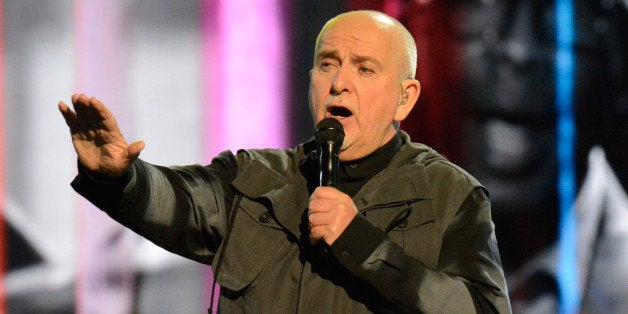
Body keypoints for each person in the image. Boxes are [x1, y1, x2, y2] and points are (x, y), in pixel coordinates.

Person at [59, 10, 511, 313]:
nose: (340, 83)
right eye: (328, 64)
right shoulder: (257, 178)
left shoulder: (449, 196)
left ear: (404, 97)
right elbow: (176, 203)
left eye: (365, 69)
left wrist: (365, 246)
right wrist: (122, 177)